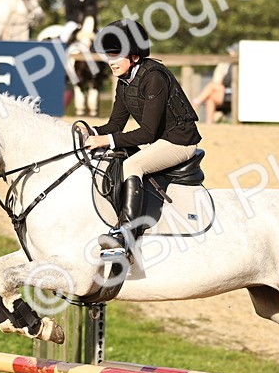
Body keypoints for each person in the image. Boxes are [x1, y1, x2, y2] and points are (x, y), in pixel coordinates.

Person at [84, 19, 202, 255]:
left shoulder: (154, 78)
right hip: (160, 140)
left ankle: (125, 235)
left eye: (116, 54)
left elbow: (146, 132)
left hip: (180, 141)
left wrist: (106, 139)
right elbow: (115, 124)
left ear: (135, 56)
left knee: (132, 163)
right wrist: (91, 132)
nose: (111, 61)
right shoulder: (124, 82)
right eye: (108, 55)